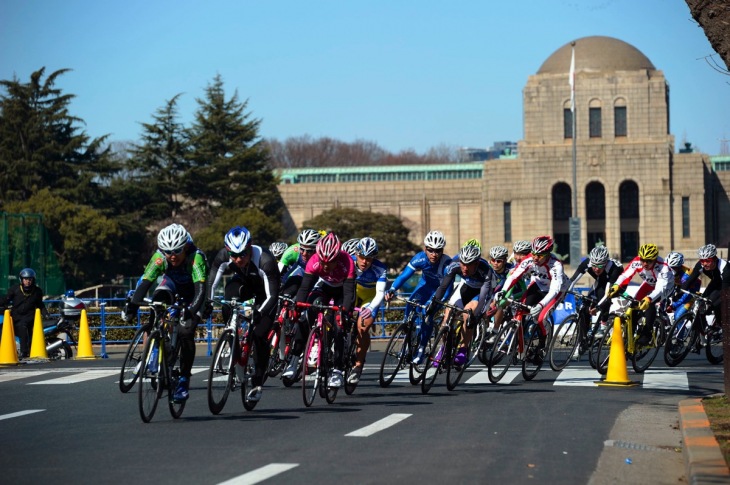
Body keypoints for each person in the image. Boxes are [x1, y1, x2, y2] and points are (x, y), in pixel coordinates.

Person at [123, 223, 208, 402]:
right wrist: (132, 306)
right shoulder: (160, 257)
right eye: (168, 252)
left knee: (186, 333)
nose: (172, 256)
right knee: (157, 301)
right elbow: (146, 282)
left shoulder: (196, 257)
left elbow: (201, 290)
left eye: (177, 251)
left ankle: (184, 380)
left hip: (194, 292)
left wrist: (191, 311)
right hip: (171, 285)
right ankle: (157, 342)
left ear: (185, 246)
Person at [208, 226, 280, 402]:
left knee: (258, 334)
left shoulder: (265, 260)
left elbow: (272, 296)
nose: (238, 259)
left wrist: (260, 312)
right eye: (233, 255)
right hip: (243, 284)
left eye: (242, 254)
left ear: (250, 248)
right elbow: (210, 284)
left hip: (266, 293)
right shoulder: (223, 256)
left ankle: (257, 381)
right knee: (228, 299)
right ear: (227, 251)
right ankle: (233, 341)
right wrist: (206, 303)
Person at [286, 232, 356, 388]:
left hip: (342, 289)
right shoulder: (314, 261)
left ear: (337, 258)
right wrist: (297, 307)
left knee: (339, 327)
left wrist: (344, 312)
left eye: (329, 262)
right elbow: (305, 288)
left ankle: (337, 370)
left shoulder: (348, 262)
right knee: (304, 316)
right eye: (322, 261)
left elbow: (349, 293)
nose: (325, 265)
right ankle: (294, 359)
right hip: (323, 286)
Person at [494, 236, 569, 363]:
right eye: (533, 254)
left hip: (556, 291)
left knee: (540, 318)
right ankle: (519, 344)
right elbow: (514, 276)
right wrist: (503, 291)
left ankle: (542, 345)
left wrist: (540, 305)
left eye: (539, 255)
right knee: (519, 311)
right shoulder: (530, 259)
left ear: (547, 255)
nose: (535, 257)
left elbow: (554, 290)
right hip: (538, 286)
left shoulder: (556, 265)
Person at [384, 230, 452, 364]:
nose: (434, 254)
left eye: (438, 251)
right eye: (431, 250)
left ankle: (421, 350)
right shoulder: (419, 258)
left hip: (439, 291)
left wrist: (441, 301)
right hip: (424, 287)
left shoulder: (447, 264)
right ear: (425, 249)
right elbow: (404, 276)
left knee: (427, 315)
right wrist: (392, 289)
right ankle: (408, 335)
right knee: (410, 304)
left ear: (442, 250)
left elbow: (448, 289)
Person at [427, 242, 494, 365]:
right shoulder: (455, 264)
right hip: (466, 287)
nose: (465, 268)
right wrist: (434, 302)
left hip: (481, 292)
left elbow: (484, 295)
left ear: (476, 264)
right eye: (463, 264)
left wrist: (474, 316)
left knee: (468, 313)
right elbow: (443, 287)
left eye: (469, 265)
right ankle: (444, 348)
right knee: (448, 313)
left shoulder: (485, 270)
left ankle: (463, 349)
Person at [607, 243, 674, 346]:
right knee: (633, 305)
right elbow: (625, 275)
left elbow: (659, 289)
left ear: (655, 259)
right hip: (649, 283)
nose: (645, 263)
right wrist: (616, 285)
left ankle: (647, 333)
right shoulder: (637, 261)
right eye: (643, 260)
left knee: (650, 304)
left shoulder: (663, 267)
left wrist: (649, 298)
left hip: (665, 287)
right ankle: (630, 337)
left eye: (649, 261)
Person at [348, 237, 388, 384]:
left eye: (369, 259)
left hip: (369, 299)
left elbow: (380, 293)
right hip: (351, 293)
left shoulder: (380, 269)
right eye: (362, 257)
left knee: (363, 327)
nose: (364, 262)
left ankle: (358, 365)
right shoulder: (348, 260)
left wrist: (371, 308)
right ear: (356, 254)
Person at [568, 245, 623, 339]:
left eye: (600, 266)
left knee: (606, 299)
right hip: (600, 281)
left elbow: (608, 293)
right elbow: (572, 281)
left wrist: (597, 308)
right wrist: (565, 293)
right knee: (586, 303)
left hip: (616, 284)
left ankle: (603, 325)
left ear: (606, 263)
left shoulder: (614, 268)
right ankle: (583, 337)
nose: (596, 269)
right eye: (594, 265)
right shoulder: (587, 263)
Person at [0, 268, 50, 358]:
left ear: (33, 280)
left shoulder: (37, 291)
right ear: (21, 280)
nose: (28, 281)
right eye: (25, 279)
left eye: (30, 279)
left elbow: (40, 305)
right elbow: (5, 300)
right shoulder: (14, 289)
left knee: (23, 328)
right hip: (15, 318)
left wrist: (46, 314)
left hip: (29, 318)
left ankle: (24, 353)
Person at [681, 244, 730, 324]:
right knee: (701, 304)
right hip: (716, 282)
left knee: (716, 304)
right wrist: (680, 292)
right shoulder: (700, 265)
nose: (704, 263)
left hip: (727, 285)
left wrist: (712, 304)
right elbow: (690, 280)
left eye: (708, 261)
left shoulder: (725, 268)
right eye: (702, 261)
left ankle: (720, 326)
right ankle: (702, 331)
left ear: (714, 259)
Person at [279, 229, 323, 295]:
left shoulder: (322, 254)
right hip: (301, 271)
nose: (304, 253)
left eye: (309, 251)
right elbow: (277, 271)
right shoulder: (293, 250)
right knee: (288, 289)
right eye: (302, 249)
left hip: (317, 275)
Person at [665, 252, 699, 323]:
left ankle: (681, 334)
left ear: (679, 267)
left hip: (691, 296)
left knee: (678, 317)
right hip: (681, 292)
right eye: (669, 267)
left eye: (673, 268)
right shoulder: (667, 271)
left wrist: (673, 305)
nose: (671, 270)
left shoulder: (686, 275)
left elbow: (686, 295)